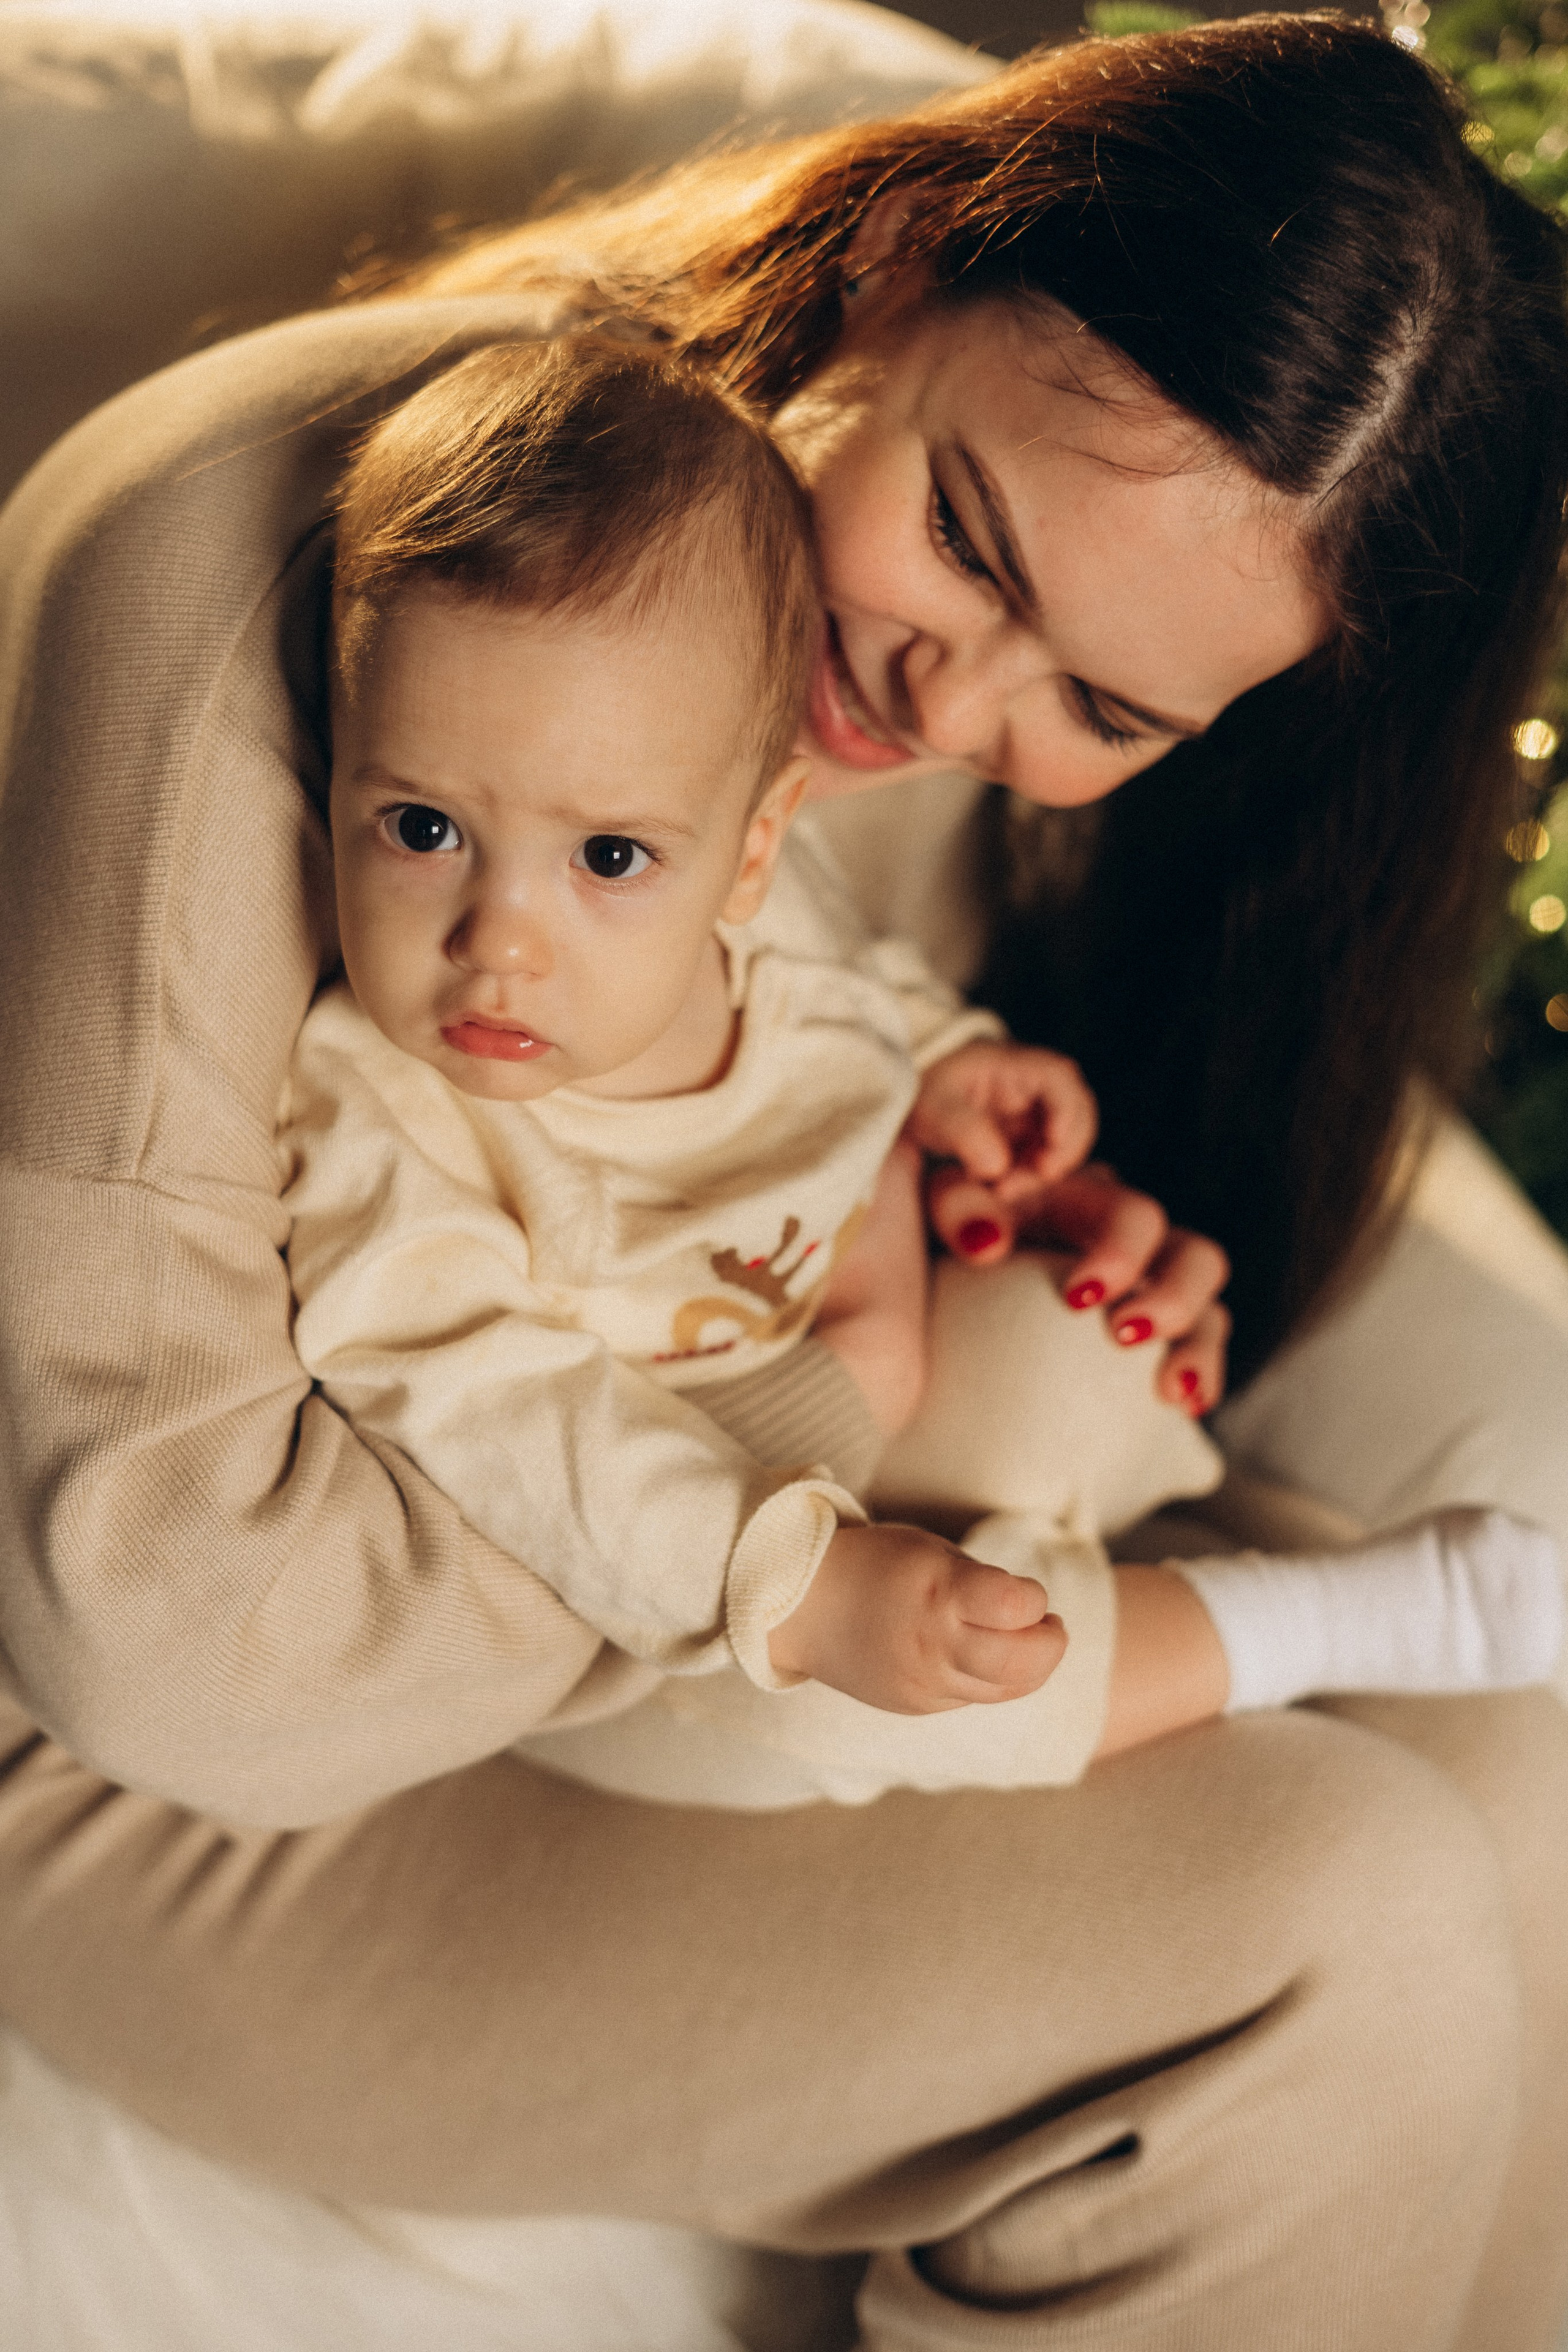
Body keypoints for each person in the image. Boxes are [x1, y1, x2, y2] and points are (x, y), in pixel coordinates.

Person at [1, 15, 1566, 2350]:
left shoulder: (897, 701)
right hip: (156, 1773)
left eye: (1107, 714)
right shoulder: (283, 565)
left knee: (1507, 1736)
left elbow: (765, 1088)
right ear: (902, 260)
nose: (948, 715)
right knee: (1345, 1931)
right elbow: (168, 1635)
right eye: (965, 534)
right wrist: (859, 1413)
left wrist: (979, 1197)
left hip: (580, 1607)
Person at [290, 329, 1561, 1807]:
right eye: (421, 829)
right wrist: (796, 1585)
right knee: (856, 1703)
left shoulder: (742, 898)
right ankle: (1281, 1629)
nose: (498, 942)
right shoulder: (384, 1109)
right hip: (660, 1550)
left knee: (1073, 1380)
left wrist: (948, 1069)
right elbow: (490, 1413)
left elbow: (843, 989)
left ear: (751, 847)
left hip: (849, 1381)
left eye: (610, 859)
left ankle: (1052, 1577)